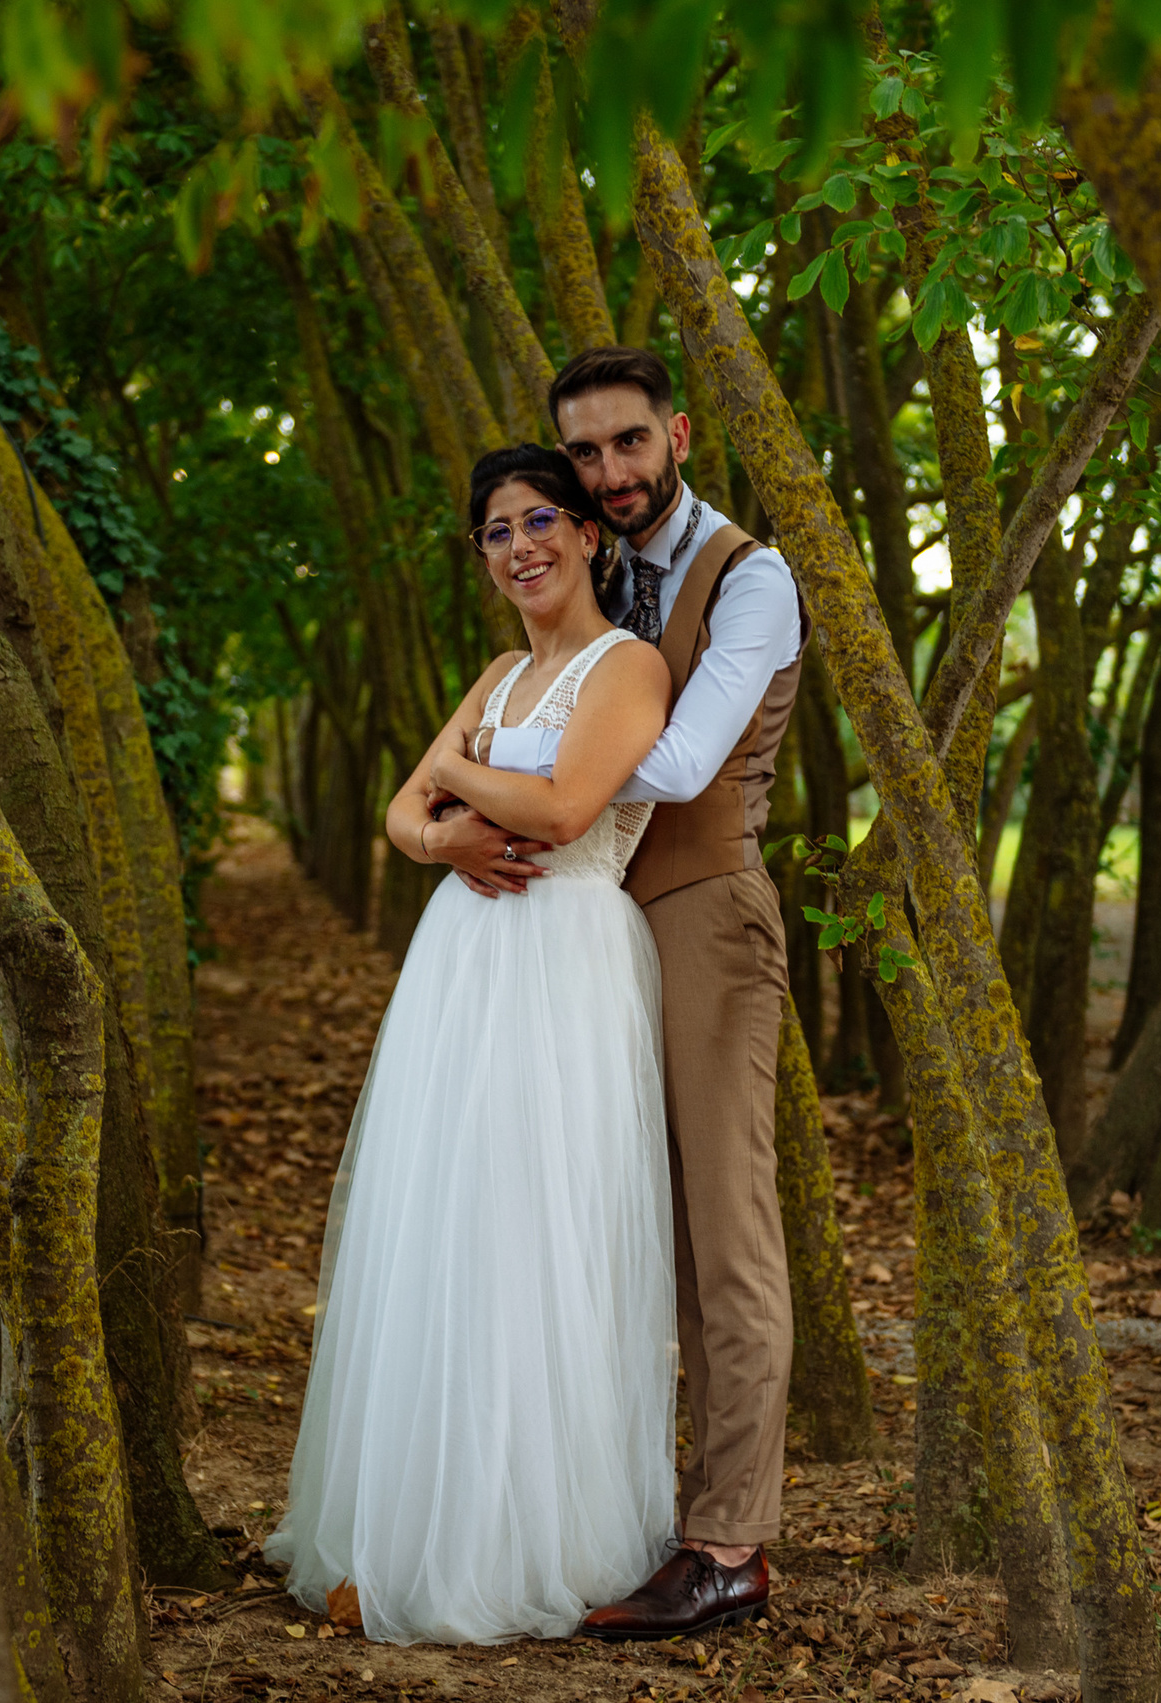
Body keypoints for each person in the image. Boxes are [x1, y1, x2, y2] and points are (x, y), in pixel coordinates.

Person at [264, 444, 681, 1645]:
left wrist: (455, 773)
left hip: (564, 964)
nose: (521, 547)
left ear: (589, 534)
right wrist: (440, 831)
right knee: (449, 1222)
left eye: (540, 519)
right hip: (464, 961)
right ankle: (425, 1518)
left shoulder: (628, 664)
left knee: (542, 1228)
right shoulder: (502, 672)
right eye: (496, 532)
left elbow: (559, 812)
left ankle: (532, 1533)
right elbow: (405, 814)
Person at [426, 346, 808, 1641]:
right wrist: (458, 819)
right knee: (596, 1221)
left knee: (723, 1230)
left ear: (679, 433)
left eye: (629, 444)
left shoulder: (750, 579)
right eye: (584, 455)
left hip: (697, 916)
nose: (611, 473)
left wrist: (537, 768)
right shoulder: (602, 576)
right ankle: (597, 1499)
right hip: (579, 936)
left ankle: (728, 1540)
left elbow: (686, 759)